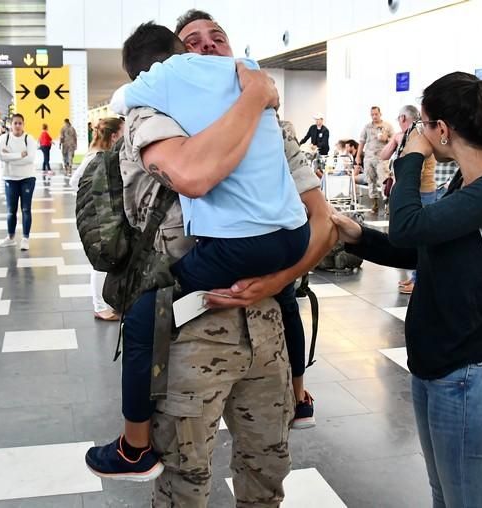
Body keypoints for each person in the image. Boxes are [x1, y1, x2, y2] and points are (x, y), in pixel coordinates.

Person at [85, 15, 336, 503]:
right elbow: (193, 174)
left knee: (268, 467)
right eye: (191, 43)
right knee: (185, 478)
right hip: (189, 334)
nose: (206, 49)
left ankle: (298, 397)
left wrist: (276, 280)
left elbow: (320, 220)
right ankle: (135, 446)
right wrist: (255, 96)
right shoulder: (153, 113)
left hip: (265, 333)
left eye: (216, 39)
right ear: (177, 58)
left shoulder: (270, 124)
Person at [331, 71, 482, 507]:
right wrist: (358, 235)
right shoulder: (465, 182)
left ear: (441, 131)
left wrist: (410, 158)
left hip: (472, 370)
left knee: (466, 500)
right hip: (437, 364)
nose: (417, 134)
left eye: (422, 126)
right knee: (445, 494)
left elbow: (408, 224)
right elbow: (423, 248)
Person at [69, 117, 125, 321]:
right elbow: (75, 181)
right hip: (99, 218)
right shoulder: (98, 157)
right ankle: (100, 306)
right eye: (124, 131)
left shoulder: (103, 155)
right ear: (114, 135)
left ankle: (106, 303)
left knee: (107, 259)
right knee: (101, 261)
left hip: (101, 216)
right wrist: (95, 199)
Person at [380, 105, 437, 294]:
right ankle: (415, 277)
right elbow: (383, 155)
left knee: (420, 239)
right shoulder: (406, 136)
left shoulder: (418, 136)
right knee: (412, 239)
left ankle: (419, 281)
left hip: (422, 192)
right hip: (414, 191)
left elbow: (417, 169)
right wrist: (396, 139)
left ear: (403, 117)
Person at [0, 114, 39, 251]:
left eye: (20, 123)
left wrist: (10, 156)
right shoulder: (4, 138)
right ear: (11, 124)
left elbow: (30, 159)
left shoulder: (29, 139)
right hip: (10, 178)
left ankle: (25, 238)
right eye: (15, 123)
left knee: (26, 209)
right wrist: (20, 154)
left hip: (27, 178)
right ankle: (10, 237)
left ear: (23, 124)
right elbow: (2, 157)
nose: (17, 126)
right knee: (11, 210)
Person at [355, 106, 393, 214]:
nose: (374, 116)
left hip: (382, 158)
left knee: (384, 181)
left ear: (380, 114)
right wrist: (358, 156)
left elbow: (395, 140)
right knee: (370, 181)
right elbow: (361, 142)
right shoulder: (367, 127)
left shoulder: (387, 126)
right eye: (372, 114)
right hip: (369, 157)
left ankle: (387, 204)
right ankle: (374, 204)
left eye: (376, 114)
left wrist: (387, 139)